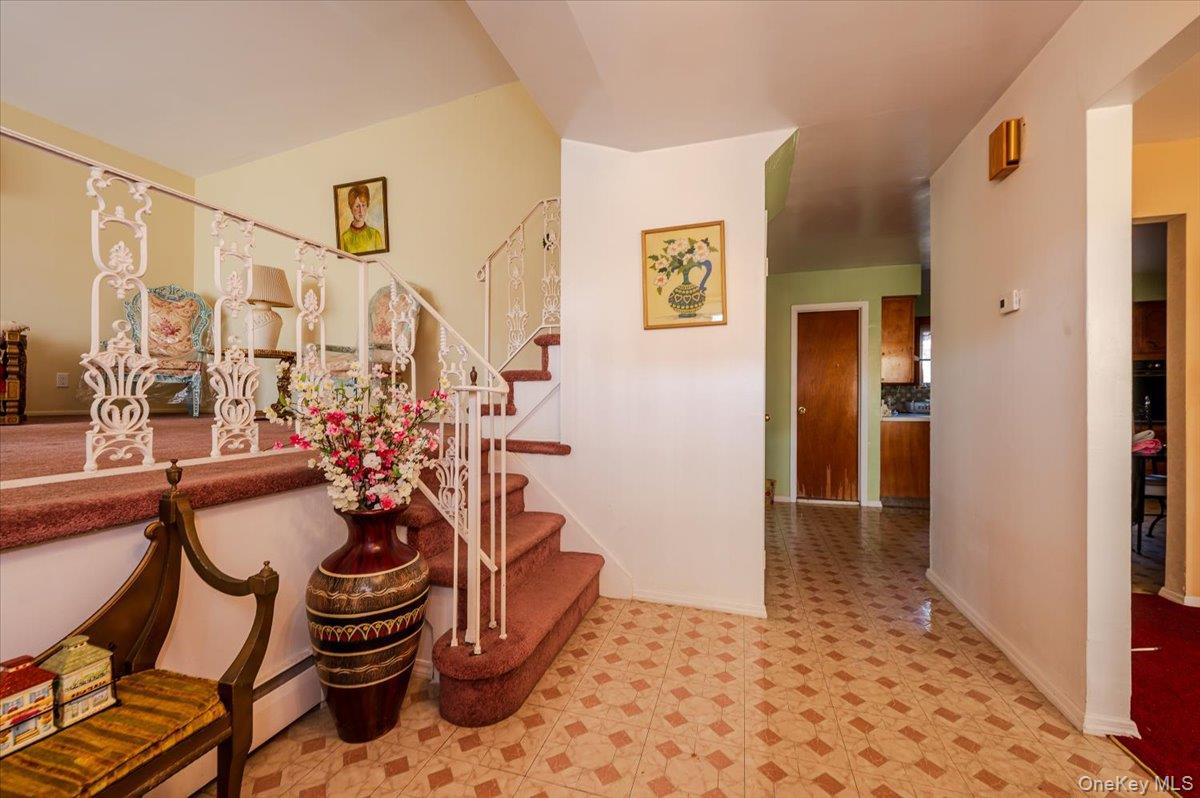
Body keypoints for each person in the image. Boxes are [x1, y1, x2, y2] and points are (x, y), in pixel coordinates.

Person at [339, 184, 384, 253]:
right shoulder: (344, 238)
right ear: (351, 208)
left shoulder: (375, 235)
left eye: (363, 205)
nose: (361, 210)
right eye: (357, 206)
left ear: (367, 206)